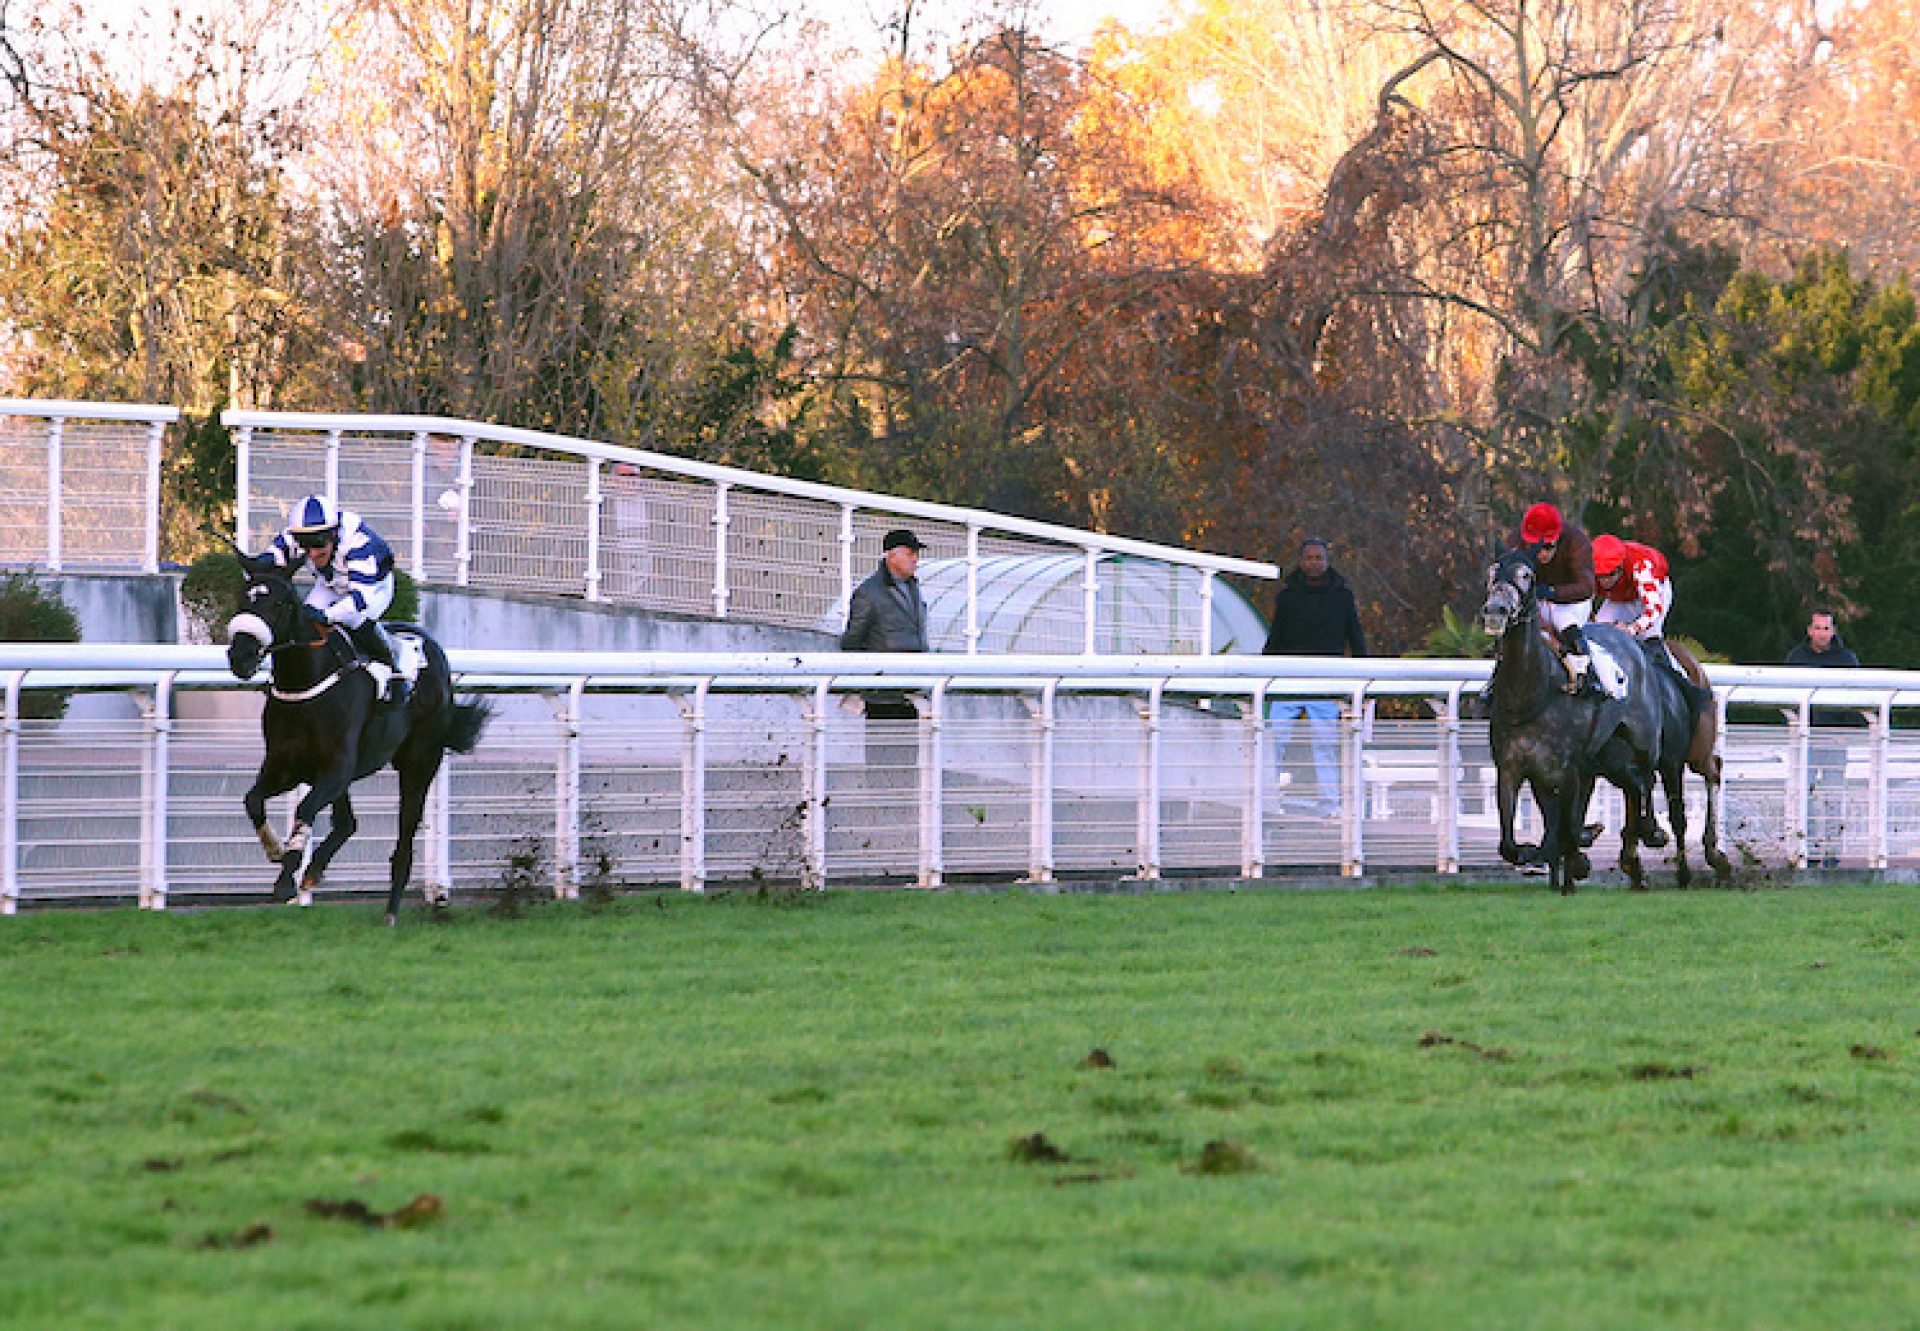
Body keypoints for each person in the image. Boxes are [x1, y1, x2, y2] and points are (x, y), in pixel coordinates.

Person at [255, 493, 412, 705]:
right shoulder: (298, 536)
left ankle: (396, 665)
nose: (312, 553)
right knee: (303, 623)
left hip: (373, 588)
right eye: (305, 543)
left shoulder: (358, 543)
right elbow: (272, 558)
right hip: (331, 583)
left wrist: (328, 615)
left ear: (334, 533)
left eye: (318, 543)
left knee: (356, 620)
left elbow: (359, 600)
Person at [1261, 537, 1367, 816]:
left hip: (1327, 681)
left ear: (1326, 561)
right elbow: (1276, 638)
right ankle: (1267, 801)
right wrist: (1264, 676)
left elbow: (1354, 636)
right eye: (1309, 558)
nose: (1314, 563)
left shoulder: (1342, 596)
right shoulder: (1287, 597)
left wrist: (1364, 677)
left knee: (1325, 744)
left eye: (1318, 558)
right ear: (1301, 560)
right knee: (1275, 741)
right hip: (1288, 681)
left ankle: (1330, 804)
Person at [841, 528, 931, 771]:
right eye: (910, 553)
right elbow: (851, 642)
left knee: (908, 769)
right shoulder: (869, 593)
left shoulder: (912, 588)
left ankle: (903, 809)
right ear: (891, 556)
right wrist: (864, 686)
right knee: (882, 768)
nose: (915, 559)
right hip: (883, 697)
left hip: (909, 693)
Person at [1591, 532, 1709, 712]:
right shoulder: (1589, 568)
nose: (1604, 581)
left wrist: (1631, 629)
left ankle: (1684, 686)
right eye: (1600, 576)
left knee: (1649, 635)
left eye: (1610, 574)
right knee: (1598, 632)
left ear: (1621, 567)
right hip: (1620, 596)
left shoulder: (1641, 567)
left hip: (1653, 593)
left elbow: (1654, 609)